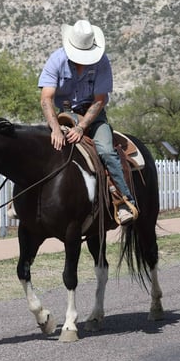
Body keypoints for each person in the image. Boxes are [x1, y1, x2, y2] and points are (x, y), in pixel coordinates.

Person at [38, 19, 138, 225]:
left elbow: (100, 100)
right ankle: (24, 202)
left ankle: (123, 200)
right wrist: (56, 129)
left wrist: (82, 127)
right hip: (64, 114)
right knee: (42, 147)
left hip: (93, 116)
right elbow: (46, 98)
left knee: (106, 151)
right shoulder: (56, 60)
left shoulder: (101, 62)